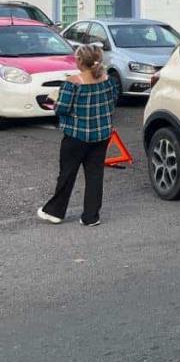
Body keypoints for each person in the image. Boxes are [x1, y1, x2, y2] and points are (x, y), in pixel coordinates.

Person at [37, 44, 120, 227]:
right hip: (101, 134)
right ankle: (91, 217)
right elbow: (113, 101)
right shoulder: (108, 80)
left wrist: (54, 101)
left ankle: (55, 212)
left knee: (67, 173)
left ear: (80, 61)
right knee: (95, 175)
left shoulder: (72, 82)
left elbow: (62, 109)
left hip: (76, 135)